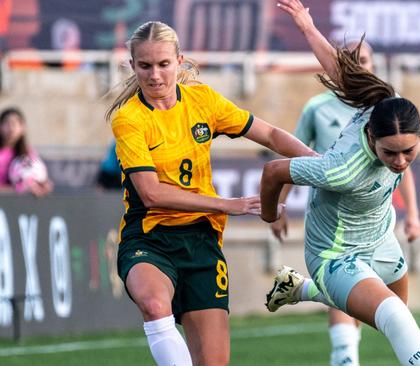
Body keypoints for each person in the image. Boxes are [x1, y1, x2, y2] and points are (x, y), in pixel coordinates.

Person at [106, 21, 317, 366]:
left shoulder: (202, 101)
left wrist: (317, 162)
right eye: (145, 65)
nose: (155, 75)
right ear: (132, 66)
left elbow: (271, 135)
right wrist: (227, 204)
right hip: (150, 237)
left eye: (163, 64)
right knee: (154, 305)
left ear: (179, 61)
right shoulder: (129, 119)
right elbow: (152, 194)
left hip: (203, 241)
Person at [261, 1, 420, 366]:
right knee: (396, 320)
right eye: (389, 153)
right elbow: (273, 172)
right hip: (335, 254)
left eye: (408, 151)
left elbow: (342, 73)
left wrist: (306, 25)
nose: (399, 162)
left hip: (381, 240)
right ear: (371, 137)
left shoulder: (382, 104)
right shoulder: (340, 171)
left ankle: (298, 288)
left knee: (396, 317)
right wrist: (272, 212)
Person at [0, 107, 53, 196]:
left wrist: (41, 185)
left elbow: (36, 179)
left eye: (15, 124)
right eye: (7, 123)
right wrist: (16, 189)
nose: (11, 128)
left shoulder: (28, 154)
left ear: (23, 128)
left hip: (18, 206)